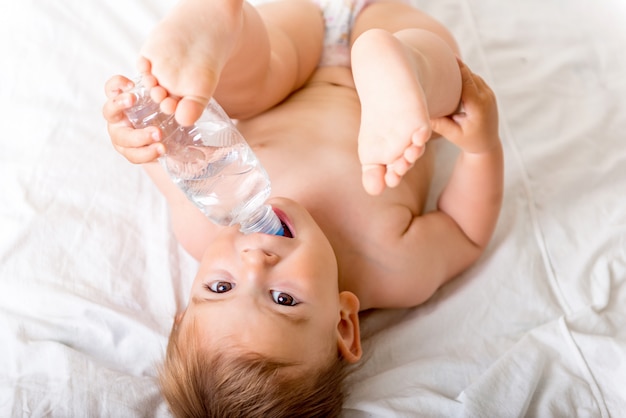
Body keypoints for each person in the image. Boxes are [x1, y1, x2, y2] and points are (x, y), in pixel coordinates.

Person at [102, 0, 503, 416]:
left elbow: (161, 150)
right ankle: (406, 67)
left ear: (184, 313)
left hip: (295, 49)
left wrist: (136, 131)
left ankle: (220, 23)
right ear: (343, 325)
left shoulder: (201, 225)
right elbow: (464, 231)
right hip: (382, 25)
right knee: (442, 92)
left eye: (220, 288)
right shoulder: (393, 266)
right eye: (283, 299)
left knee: (252, 88)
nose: (254, 261)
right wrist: (480, 146)